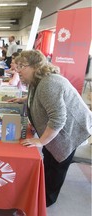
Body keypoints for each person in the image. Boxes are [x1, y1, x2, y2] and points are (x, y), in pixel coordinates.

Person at [10, 50, 92, 207]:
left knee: (57, 165)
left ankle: (46, 201)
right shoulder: (38, 80)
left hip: (69, 132)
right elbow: (39, 97)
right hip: (57, 131)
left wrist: (41, 141)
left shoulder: (49, 83)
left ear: (36, 66)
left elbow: (58, 118)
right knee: (49, 159)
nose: (17, 70)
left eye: (22, 66)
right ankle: (42, 192)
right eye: (17, 65)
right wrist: (23, 100)